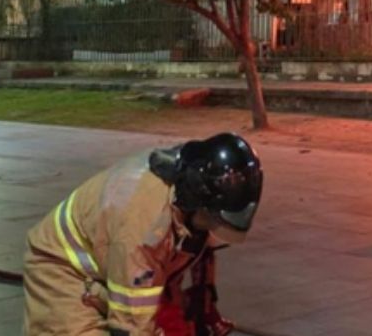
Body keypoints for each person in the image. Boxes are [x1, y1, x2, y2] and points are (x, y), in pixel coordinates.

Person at [22, 132, 263, 335]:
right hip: (63, 269)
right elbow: (131, 326)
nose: (213, 229)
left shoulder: (188, 196)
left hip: (112, 266)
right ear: (193, 199)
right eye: (212, 220)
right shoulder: (144, 227)